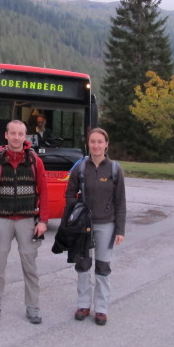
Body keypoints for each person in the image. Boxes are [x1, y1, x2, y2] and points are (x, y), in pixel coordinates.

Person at [0, 120, 49, 324]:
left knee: (30, 267)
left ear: (25, 137)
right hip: (2, 220)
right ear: (6, 135)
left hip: (28, 221)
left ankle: (33, 307)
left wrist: (43, 221)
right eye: (13, 133)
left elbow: (44, 192)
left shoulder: (34, 161)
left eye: (21, 134)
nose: (17, 137)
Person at [64, 127, 126, 326]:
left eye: (100, 142)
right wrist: (76, 213)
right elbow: (69, 195)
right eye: (93, 142)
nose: (96, 145)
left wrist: (120, 229)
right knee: (82, 265)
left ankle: (101, 308)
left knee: (102, 266)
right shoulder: (80, 168)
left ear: (106, 144)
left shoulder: (115, 170)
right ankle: (83, 304)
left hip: (106, 225)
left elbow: (121, 202)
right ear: (88, 144)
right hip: (84, 226)